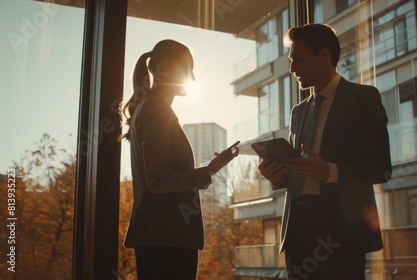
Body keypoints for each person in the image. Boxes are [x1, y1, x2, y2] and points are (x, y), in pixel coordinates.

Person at [258, 23, 392, 279]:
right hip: (298, 233)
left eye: (298, 58)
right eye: (290, 60)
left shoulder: (363, 98)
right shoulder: (298, 112)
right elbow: (300, 171)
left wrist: (330, 171)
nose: (292, 68)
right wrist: (278, 177)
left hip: (342, 234)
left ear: (324, 56)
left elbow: (381, 168)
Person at [119, 39, 238, 279]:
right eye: (187, 69)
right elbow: (159, 181)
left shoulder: (150, 107)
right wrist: (209, 170)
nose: (192, 78)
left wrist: (207, 169)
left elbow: (159, 175)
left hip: (159, 238)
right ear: (163, 69)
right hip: (167, 240)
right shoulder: (156, 108)